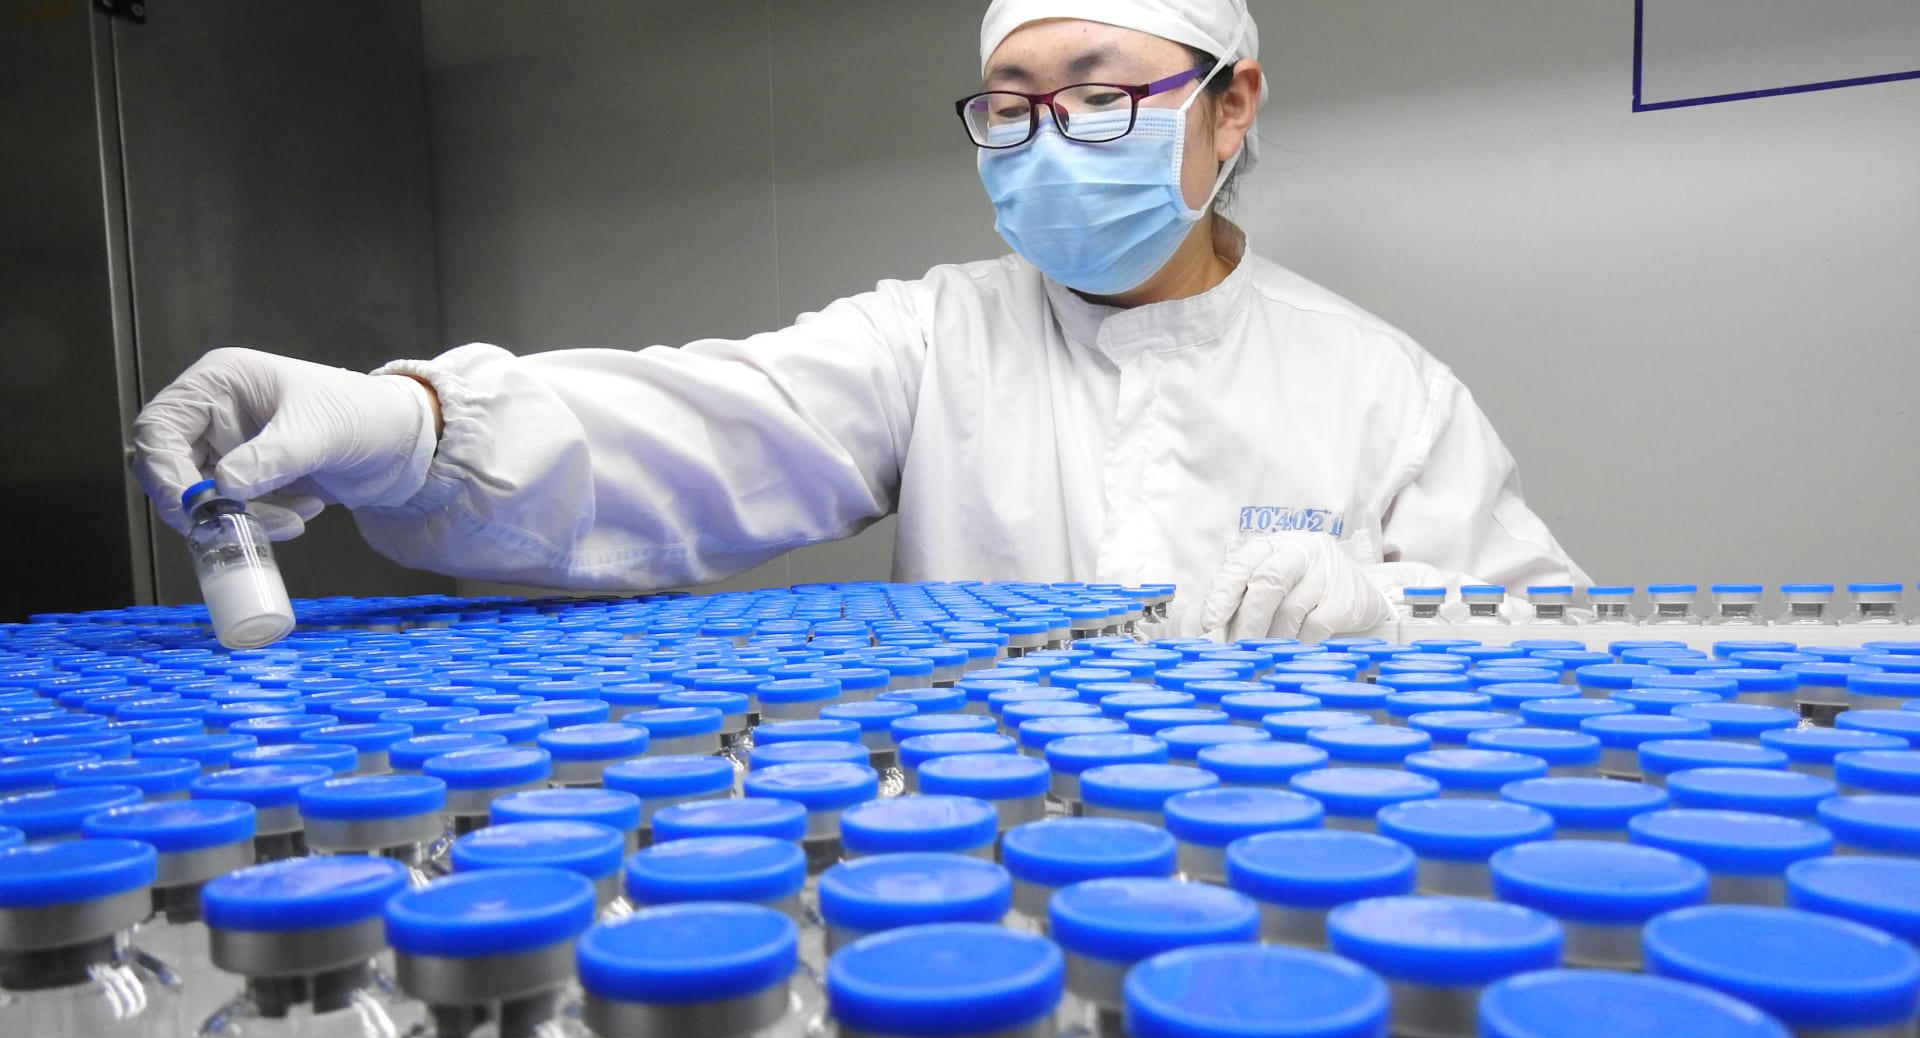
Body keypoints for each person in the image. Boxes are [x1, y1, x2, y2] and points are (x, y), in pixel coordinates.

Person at [133, 0, 1581, 642]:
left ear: (1234, 103)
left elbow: (1561, 642)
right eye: (1009, 107)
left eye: (1094, 93)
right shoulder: (940, 337)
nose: (1044, 139)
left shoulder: (1382, 386)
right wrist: (413, 424)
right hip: (977, 907)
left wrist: (1393, 614)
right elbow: (699, 426)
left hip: (1291, 914)